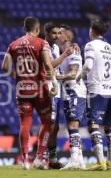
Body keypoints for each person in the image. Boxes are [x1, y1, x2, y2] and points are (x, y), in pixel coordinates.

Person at [1, 17, 58, 170]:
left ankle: (25, 159)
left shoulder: (13, 44)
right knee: (47, 122)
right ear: (37, 29)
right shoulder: (41, 43)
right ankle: (39, 157)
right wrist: (55, 83)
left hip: (22, 89)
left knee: (25, 123)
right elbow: (47, 64)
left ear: (24, 28)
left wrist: (15, 75)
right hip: (40, 89)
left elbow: (4, 66)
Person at [76, 20, 111, 170]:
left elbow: (88, 66)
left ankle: (100, 162)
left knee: (93, 124)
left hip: (96, 89)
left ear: (92, 30)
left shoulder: (90, 45)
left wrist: (78, 77)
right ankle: (110, 163)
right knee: (109, 127)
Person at [43, 22, 74, 169]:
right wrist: (64, 55)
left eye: (58, 33)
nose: (56, 36)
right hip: (48, 89)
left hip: (57, 89)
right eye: (54, 33)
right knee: (49, 125)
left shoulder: (55, 47)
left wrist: (74, 47)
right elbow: (49, 65)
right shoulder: (43, 46)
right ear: (46, 33)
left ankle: (52, 158)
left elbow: (67, 44)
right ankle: (42, 157)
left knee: (54, 127)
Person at [56, 28, 86, 170]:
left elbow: (73, 73)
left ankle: (74, 158)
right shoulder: (64, 53)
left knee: (73, 126)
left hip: (75, 91)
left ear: (67, 37)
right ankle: (80, 160)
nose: (57, 34)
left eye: (60, 32)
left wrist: (57, 77)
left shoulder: (73, 52)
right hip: (69, 93)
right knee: (71, 126)